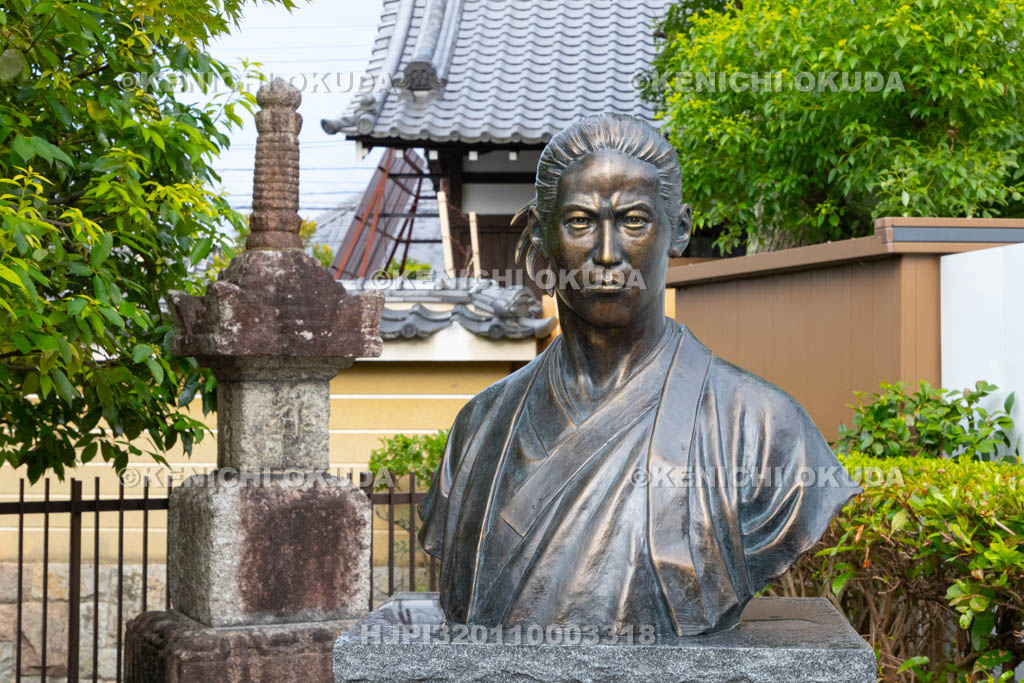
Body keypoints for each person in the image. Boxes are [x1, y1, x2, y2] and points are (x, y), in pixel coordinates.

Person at [419, 113, 861, 636]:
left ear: (681, 229)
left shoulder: (764, 427)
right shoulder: (482, 425)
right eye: (581, 221)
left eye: (634, 220)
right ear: (543, 237)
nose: (608, 254)